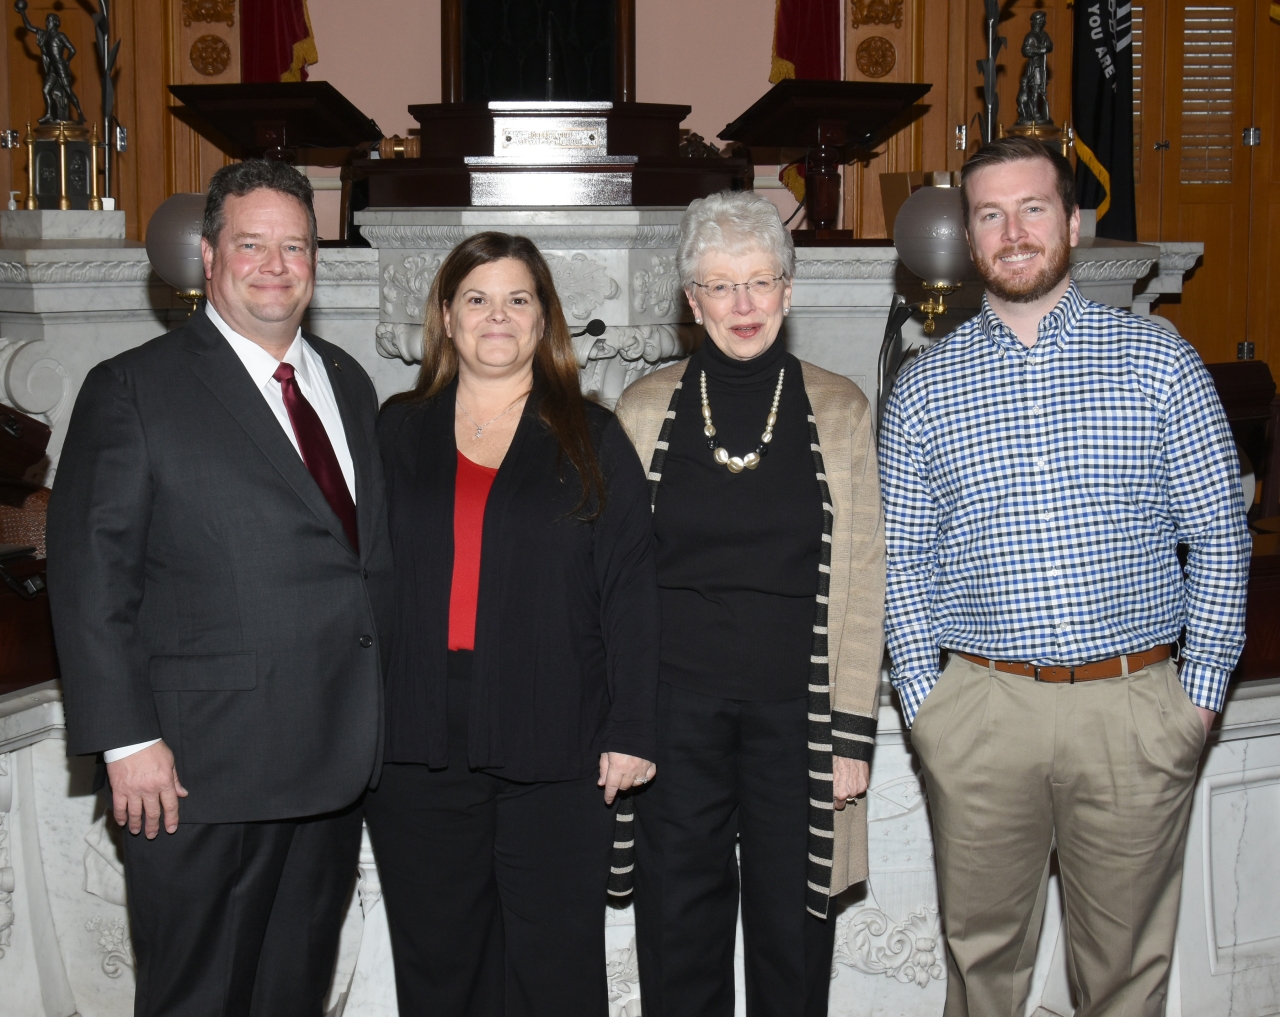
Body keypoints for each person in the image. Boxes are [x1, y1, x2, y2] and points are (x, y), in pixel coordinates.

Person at [878, 136, 1251, 1016]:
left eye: (1032, 208)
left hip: (1133, 708)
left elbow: (1220, 538)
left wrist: (1193, 699)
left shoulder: (1161, 363)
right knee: (983, 968)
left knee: (1124, 975)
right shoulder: (926, 389)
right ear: (970, 241)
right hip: (982, 710)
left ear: (1073, 224)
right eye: (990, 215)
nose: (1013, 232)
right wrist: (930, 707)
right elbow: (903, 563)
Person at [46, 159, 392, 1017]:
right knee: (198, 999)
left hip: (330, 763)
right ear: (208, 256)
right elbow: (91, 576)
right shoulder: (133, 387)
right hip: (199, 774)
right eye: (252, 244)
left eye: (296, 245)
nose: (276, 264)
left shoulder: (346, 381)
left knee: (292, 995)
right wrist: (126, 739)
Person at [365, 231, 659, 1017]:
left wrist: (632, 724)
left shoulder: (591, 438)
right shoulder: (395, 431)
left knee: (554, 971)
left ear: (543, 320)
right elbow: (356, 578)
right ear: (447, 318)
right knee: (438, 967)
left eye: (518, 299)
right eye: (478, 298)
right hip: (416, 744)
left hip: (556, 741)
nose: (498, 315)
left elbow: (632, 588)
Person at [615, 190, 885, 1017]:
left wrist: (849, 733)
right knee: (677, 928)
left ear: (789, 291)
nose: (742, 305)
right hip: (674, 716)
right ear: (690, 301)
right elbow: (617, 578)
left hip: (795, 718)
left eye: (759, 282)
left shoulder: (839, 408)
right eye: (720, 286)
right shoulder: (642, 407)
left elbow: (865, 576)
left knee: (793, 931)